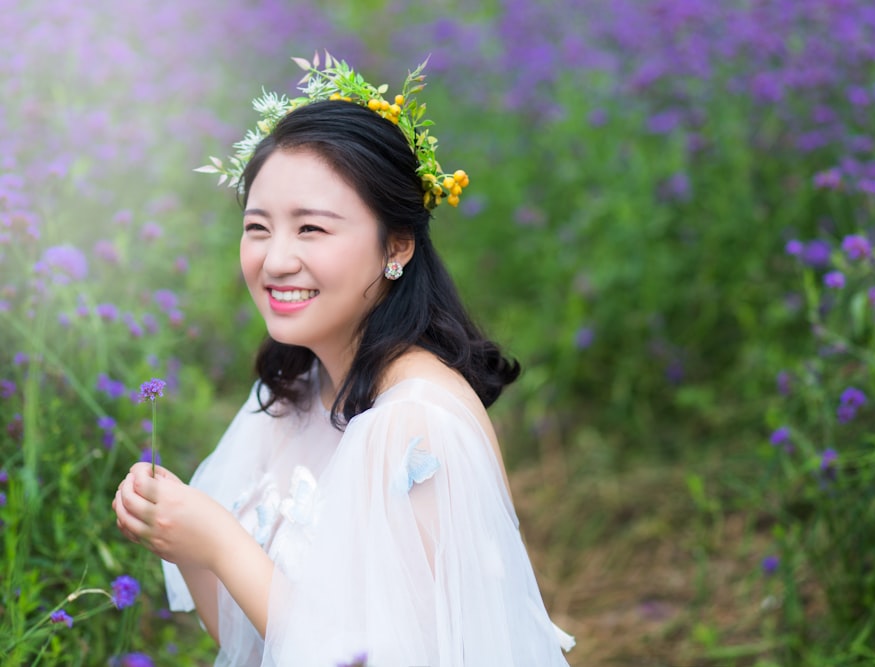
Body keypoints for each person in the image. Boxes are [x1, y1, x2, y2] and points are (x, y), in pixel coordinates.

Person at [112, 56, 575, 666]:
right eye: (258, 227)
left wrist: (220, 542)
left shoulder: (419, 425)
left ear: (398, 245)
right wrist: (182, 540)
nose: (275, 259)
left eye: (311, 229)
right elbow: (247, 641)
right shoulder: (296, 391)